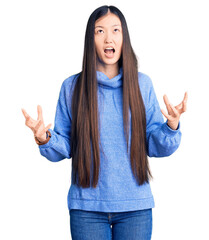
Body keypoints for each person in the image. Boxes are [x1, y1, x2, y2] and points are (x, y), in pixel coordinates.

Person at [21, 5, 188, 240]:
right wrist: (43, 137)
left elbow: (153, 144)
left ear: (124, 36)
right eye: (99, 31)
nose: (108, 37)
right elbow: (65, 145)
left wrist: (170, 127)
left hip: (135, 208)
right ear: (91, 39)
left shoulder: (142, 85)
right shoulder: (73, 87)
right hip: (87, 209)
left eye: (115, 30)